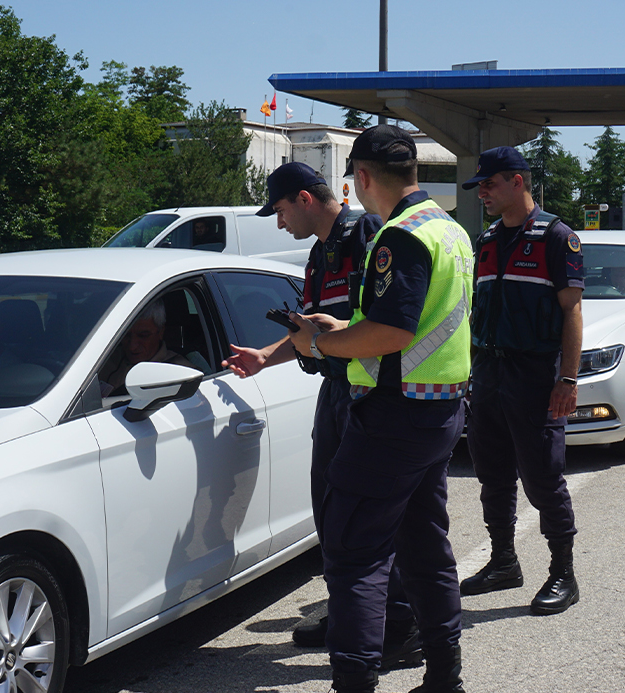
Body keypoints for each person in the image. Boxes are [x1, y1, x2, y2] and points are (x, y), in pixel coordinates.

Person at [288, 125, 473, 693]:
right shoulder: (451, 229)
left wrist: (319, 343)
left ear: (363, 177)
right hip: (437, 411)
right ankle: (445, 677)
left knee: (354, 556)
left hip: (392, 416)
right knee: (424, 548)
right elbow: (420, 326)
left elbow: (392, 332)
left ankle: (356, 682)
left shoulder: (400, 236)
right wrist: (348, 328)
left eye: (355, 182)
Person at [222, 162, 422, 669]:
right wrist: (269, 354)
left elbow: (386, 324)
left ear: (306, 199)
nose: (279, 221)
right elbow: (313, 332)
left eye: (282, 209)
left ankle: (397, 627)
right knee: (332, 511)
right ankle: (350, 614)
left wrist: (333, 335)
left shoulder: (372, 236)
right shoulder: (319, 253)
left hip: (371, 394)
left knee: (374, 520)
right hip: (336, 392)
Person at [458, 146, 585, 617]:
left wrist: (567, 379)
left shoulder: (556, 237)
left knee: (543, 479)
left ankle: (563, 574)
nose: (483, 194)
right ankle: (504, 562)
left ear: (517, 181)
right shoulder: (486, 240)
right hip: (489, 375)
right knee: (491, 474)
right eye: (480, 187)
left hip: (536, 375)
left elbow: (571, 310)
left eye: (489, 184)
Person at [102, 301, 195, 392]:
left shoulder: (182, 372)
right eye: (126, 335)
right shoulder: (103, 360)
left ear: (161, 332)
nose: (132, 346)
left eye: (143, 336)